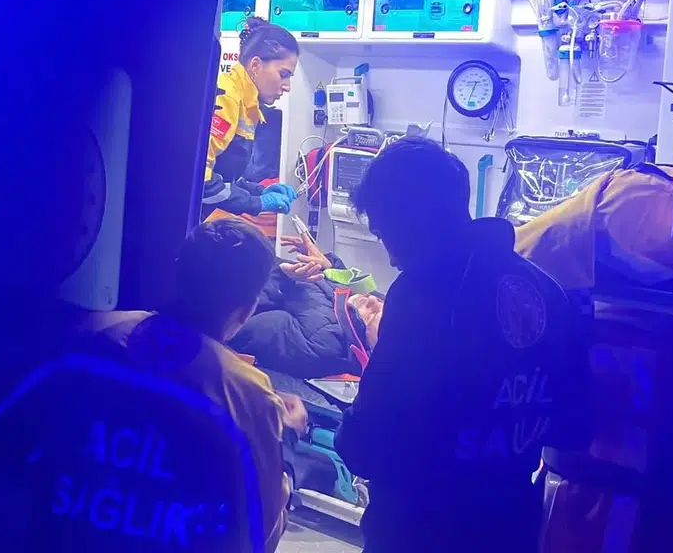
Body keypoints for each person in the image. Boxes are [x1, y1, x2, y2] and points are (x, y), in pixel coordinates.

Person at [334, 137, 592, 552]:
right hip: (511, 527)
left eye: (385, 234)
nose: (392, 257)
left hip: (420, 530)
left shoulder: (423, 294)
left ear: (408, 220)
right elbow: (575, 429)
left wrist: (345, 428)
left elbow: (368, 443)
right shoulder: (545, 290)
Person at [110, 219, 310, 552]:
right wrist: (284, 438)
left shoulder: (91, 334)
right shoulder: (249, 394)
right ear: (246, 311)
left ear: (177, 272)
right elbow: (260, 534)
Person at [229, 234, 383, 379]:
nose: (373, 300)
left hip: (230, 278)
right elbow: (335, 292)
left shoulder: (321, 342)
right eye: (384, 303)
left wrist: (280, 278)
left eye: (373, 315)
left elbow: (236, 322)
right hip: (246, 262)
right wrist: (327, 266)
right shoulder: (350, 312)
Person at [203, 18, 300, 220]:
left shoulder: (248, 105)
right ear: (255, 65)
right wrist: (257, 203)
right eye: (283, 74)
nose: (287, 86)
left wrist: (258, 191)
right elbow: (201, 182)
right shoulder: (225, 99)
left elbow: (224, 174)